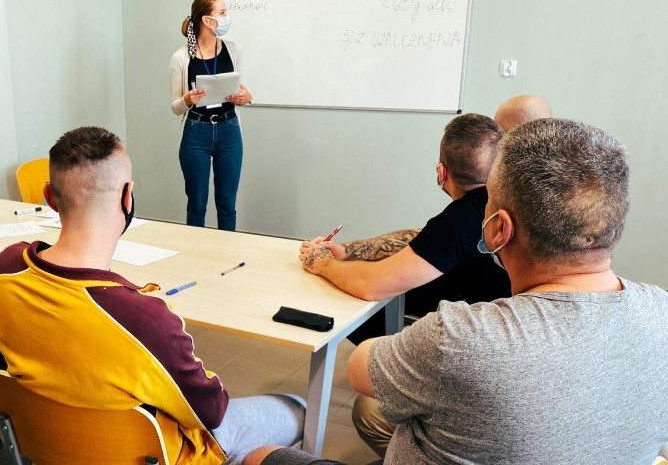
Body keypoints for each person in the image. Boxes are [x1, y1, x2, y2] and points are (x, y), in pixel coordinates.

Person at [246, 118, 668, 465]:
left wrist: (325, 263)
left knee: (261, 455)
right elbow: (426, 237)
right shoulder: (661, 312)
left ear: (499, 229)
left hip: (429, 360)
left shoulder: (460, 338)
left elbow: (360, 367)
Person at [0, 126, 304, 465]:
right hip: (159, 454)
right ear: (128, 197)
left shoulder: (5, 268)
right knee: (297, 407)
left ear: (49, 198)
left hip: (50, 443)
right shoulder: (142, 317)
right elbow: (211, 412)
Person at [298, 113, 509, 457]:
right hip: (494, 327)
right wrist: (350, 250)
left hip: (483, 359)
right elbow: (423, 239)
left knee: (365, 327)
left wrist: (323, 264)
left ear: (442, 172)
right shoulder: (492, 204)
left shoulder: (462, 217)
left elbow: (372, 286)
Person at [169, 0, 253, 231]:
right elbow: (175, 106)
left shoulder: (233, 50)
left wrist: (246, 98)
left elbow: (242, 90)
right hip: (196, 132)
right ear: (206, 20)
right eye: (222, 13)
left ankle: (226, 257)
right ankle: (196, 259)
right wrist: (186, 99)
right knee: (196, 204)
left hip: (229, 130)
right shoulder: (181, 57)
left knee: (227, 204)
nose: (227, 18)